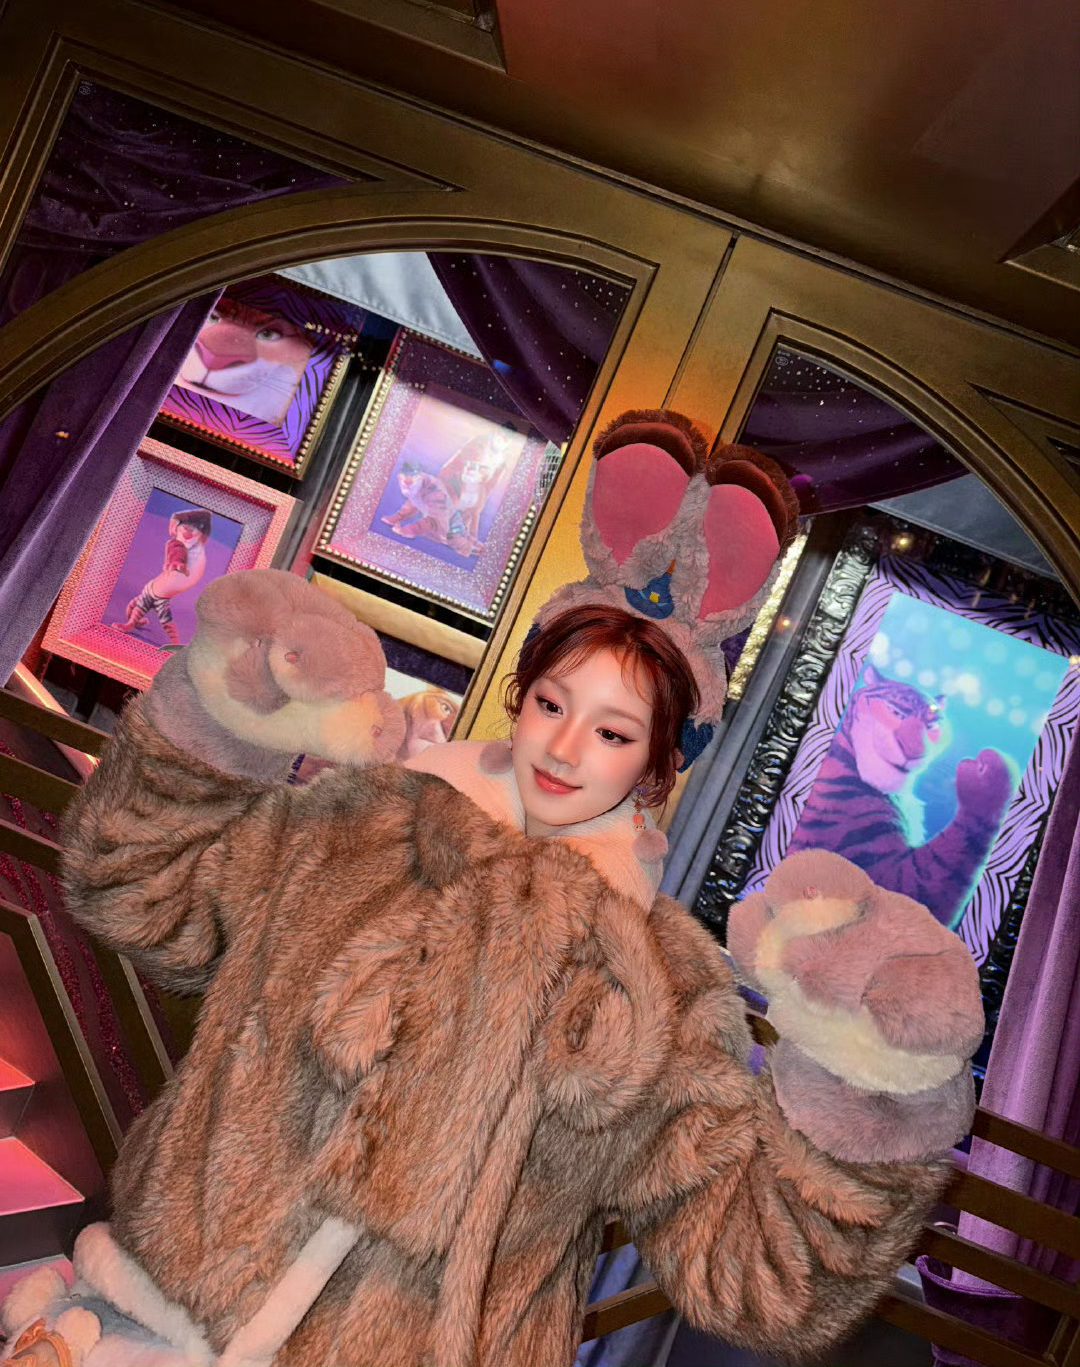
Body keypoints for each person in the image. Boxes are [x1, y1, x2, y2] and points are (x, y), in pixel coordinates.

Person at [2, 412, 983, 1367]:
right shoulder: (359, 829)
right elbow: (140, 892)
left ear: (659, 763)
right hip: (146, 1326)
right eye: (553, 702)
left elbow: (760, 1280)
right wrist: (227, 717)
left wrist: (872, 1083)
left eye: (613, 731)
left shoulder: (660, 985)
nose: (565, 747)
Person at [113, 508, 212, 644]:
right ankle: (135, 625)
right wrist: (177, 564)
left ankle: (135, 624)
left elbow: (179, 555)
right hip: (157, 592)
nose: (188, 534)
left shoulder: (191, 546)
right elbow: (177, 555)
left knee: (140, 608)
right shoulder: (177, 545)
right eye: (185, 529)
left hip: (157, 590)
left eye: (192, 530)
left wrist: (178, 563)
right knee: (144, 610)